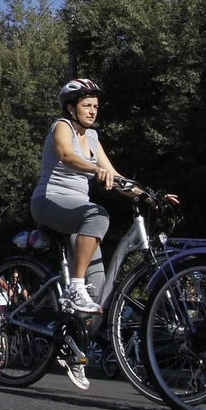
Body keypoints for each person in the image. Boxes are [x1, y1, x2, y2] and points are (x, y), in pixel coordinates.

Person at [29, 79, 124, 314]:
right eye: (87, 106)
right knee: (98, 216)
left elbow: (115, 176)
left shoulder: (92, 137)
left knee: (101, 293)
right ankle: (75, 287)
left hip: (78, 211)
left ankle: (83, 329)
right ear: (71, 108)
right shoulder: (62, 125)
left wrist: (149, 194)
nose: (92, 111)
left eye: (96, 106)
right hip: (48, 200)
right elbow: (66, 155)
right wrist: (95, 169)